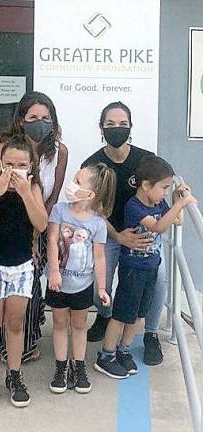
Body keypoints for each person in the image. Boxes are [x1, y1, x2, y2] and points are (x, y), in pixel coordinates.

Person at [94, 156, 196, 378]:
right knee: (122, 315)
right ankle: (106, 356)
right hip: (133, 270)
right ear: (146, 185)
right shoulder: (134, 207)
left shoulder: (159, 203)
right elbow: (159, 227)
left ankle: (124, 350)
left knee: (140, 314)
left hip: (151, 267)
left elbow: (177, 221)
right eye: (164, 188)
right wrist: (180, 203)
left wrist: (178, 199)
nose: (166, 193)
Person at [82, 101, 167, 366]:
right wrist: (118, 236)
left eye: (122, 124)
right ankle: (105, 315)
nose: (116, 129)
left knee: (159, 280)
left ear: (130, 127)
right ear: (101, 128)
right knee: (101, 285)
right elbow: (93, 208)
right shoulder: (93, 164)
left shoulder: (146, 159)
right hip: (109, 234)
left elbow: (163, 187)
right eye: (110, 124)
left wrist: (178, 197)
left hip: (144, 235)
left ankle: (151, 334)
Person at [0, 91, 68, 363]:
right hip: (4, 225)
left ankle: (28, 339)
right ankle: (0, 341)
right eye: (33, 117)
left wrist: (36, 235)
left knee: (31, 283)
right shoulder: (5, 148)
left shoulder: (59, 152)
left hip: (37, 221)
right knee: (2, 287)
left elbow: (54, 195)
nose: (40, 123)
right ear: (21, 120)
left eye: (46, 118)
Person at [0, 137, 47, 412]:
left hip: (21, 267)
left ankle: (15, 376)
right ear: (1, 164)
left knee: (15, 324)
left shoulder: (33, 188)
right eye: (10, 164)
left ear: (31, 167)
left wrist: (26, 193)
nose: (15, 169)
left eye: (22, 165)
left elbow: (41, 223)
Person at [45, 163, 115, 394]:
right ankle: (60, 367)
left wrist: (102, 288)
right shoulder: (59, 210)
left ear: (91, 193)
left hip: (82, 285)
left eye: (78, 182)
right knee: (59, 324)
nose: (71, 185)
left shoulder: (98, 222)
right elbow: (52, 242)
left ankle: (79, 366)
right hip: (58, 282)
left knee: (79, 325)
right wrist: (54, 271)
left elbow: (99, 257)